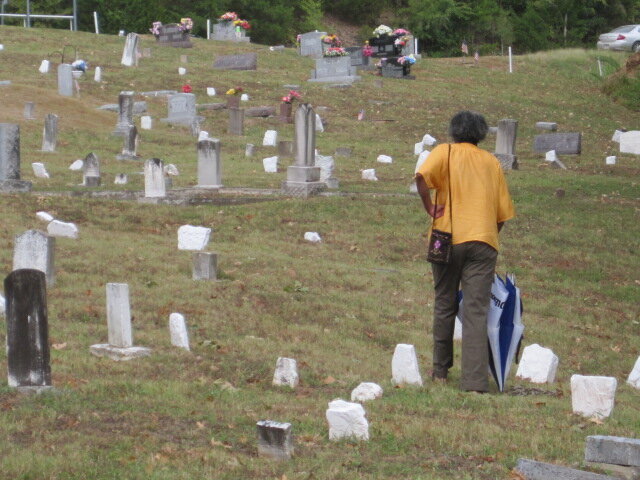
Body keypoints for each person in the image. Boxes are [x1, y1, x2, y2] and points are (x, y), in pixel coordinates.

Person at [415, 111, 515, 392]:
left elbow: (421, 179)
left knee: (445, 302)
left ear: (454, 130)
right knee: (475, 310)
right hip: (484, 241)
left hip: (446, 237)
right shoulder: (491, 162)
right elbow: (502, 213)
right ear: (480, 134)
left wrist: (429, 206)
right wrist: (488, 235)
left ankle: (440, 371)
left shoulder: (444, 152)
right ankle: (474, 382)